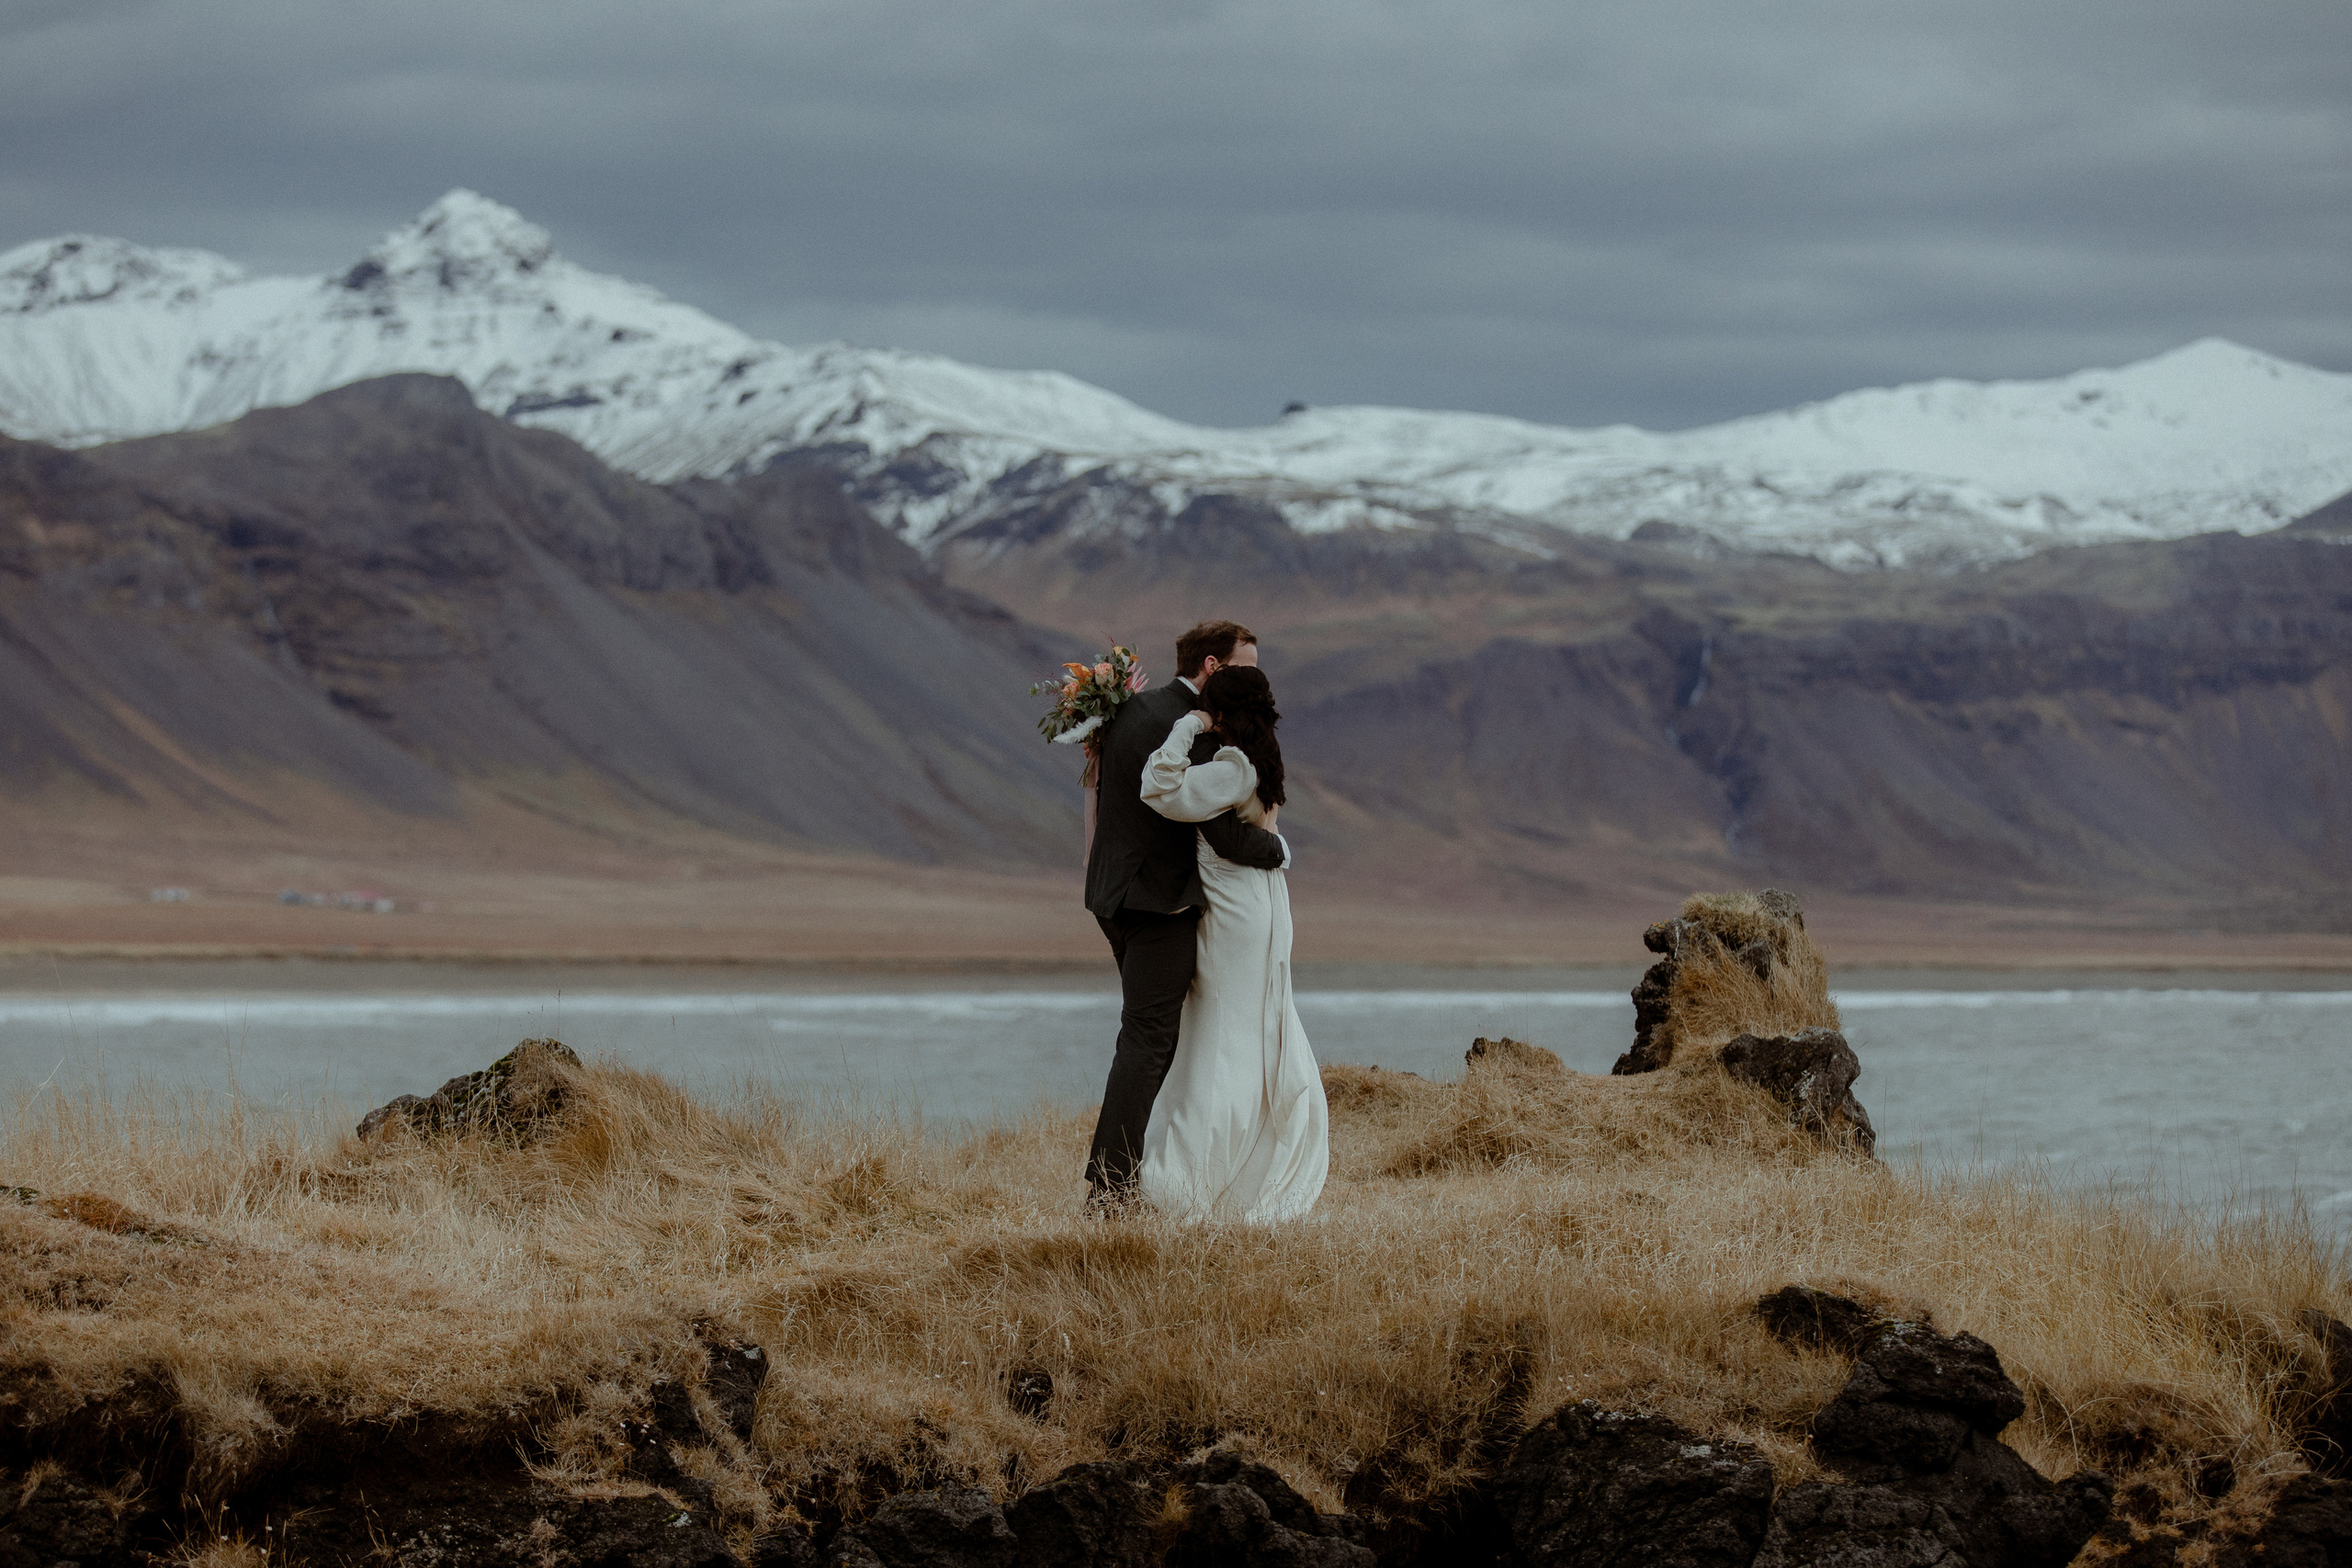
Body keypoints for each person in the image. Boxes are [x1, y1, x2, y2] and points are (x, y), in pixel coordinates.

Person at [1081, 621, 1288, 1211]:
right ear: (1214, 669)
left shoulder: (1128, 710)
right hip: (1161, 903)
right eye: (1247, 667)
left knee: (1153, 1040)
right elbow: (1221, 832)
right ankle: (1112, 1189)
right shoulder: (1196, 731)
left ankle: (1132, 1173)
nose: (1254, 678)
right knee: (1149, 1041)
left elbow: (1100, 792)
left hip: (1112, 897)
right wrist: (1277, 848)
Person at [1132, 664, 1329, 1222]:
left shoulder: (1231, 766)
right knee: (1250, 1027)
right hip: (1264, 905)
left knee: (1219, 1032)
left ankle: (1194, 1178)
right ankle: (1252, 1166)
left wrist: (1187, 728)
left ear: (1221, 712)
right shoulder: (1263, 763)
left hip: (1235, 914)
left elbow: (1158, 785)